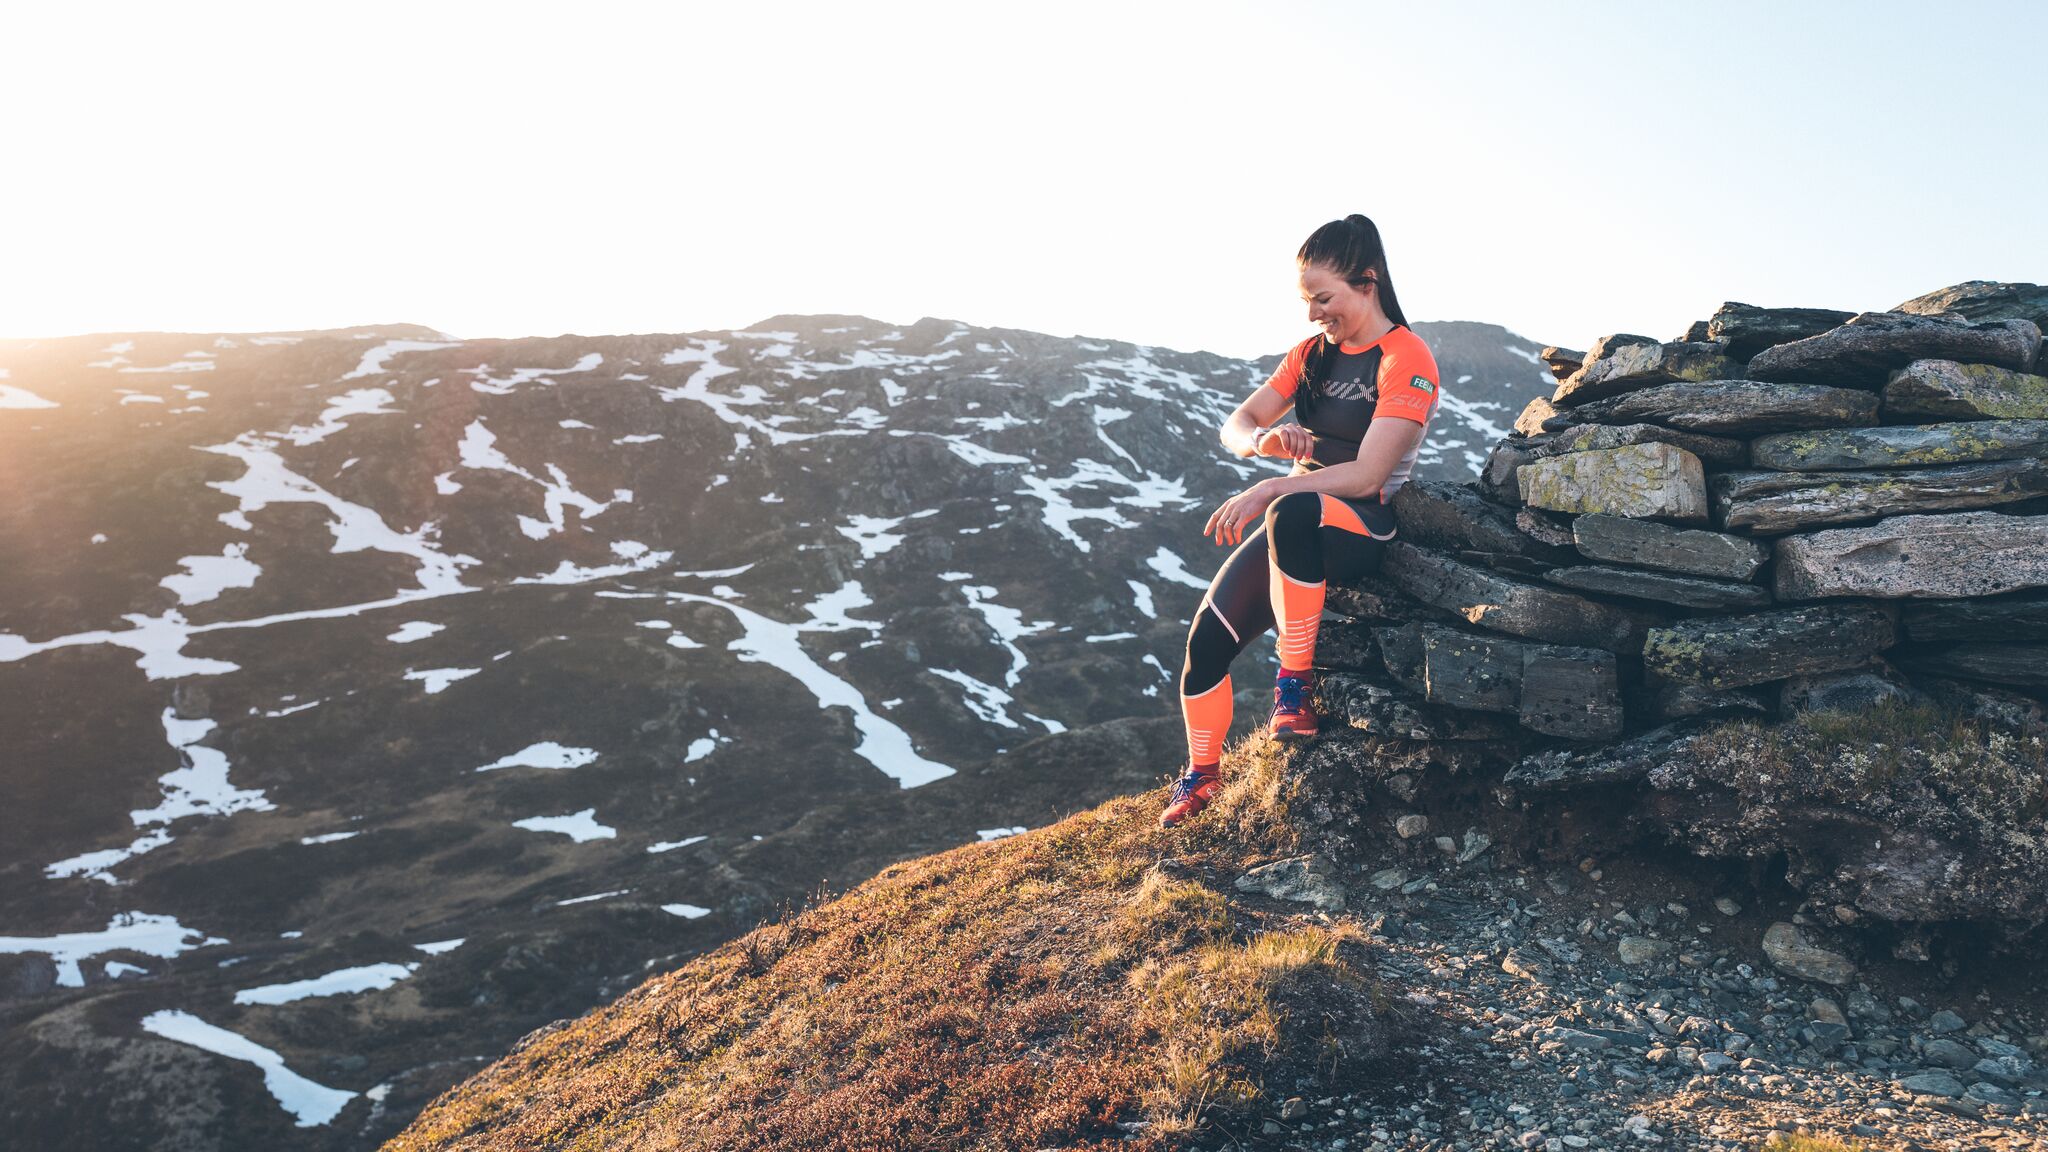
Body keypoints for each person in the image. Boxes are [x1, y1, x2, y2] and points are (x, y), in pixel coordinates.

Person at [1159, 214, 1443, 829]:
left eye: (1323, 298)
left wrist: (1270, 486)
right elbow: (1235, 425)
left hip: (1362, 524)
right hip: (1297, 519)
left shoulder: (1406, 356)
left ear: (1367, 282)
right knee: (1205, 643)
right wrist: (1264, 441)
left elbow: (1368, 475)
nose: (1314, 314)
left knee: (1289, 508)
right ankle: (1201, 777)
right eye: (1306, 301)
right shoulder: (1311, 356)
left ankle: (1295, 686)